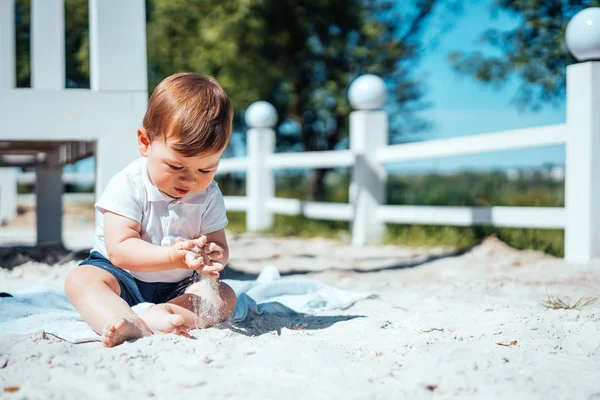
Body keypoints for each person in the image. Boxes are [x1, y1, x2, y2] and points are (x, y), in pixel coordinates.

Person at [64, 73, 237, 347]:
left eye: (206, 169)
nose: (190, 180)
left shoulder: (209, 194)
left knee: (224, 295)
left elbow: (218, 244)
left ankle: (168, 312)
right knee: (80, 280)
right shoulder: (128, 184)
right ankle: (127, 321)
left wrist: (212, 254)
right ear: (145, 143)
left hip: (180, 285)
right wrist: (172, 257)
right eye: (176, 166)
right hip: (123, 278)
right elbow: (120, 251)